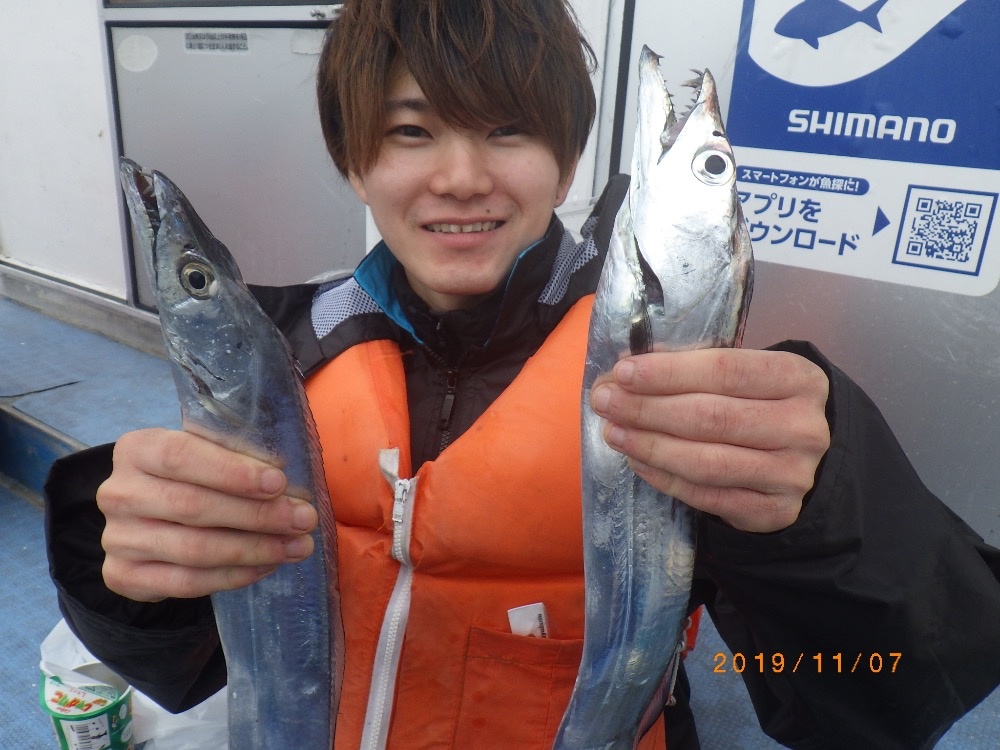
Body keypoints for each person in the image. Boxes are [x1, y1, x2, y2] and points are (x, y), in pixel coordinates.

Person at [45, 0, 1000, 747]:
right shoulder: (281, 355)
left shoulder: (683, 387)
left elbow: (875, 697)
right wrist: (129, 572)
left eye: (506, 131)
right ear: (352, 161)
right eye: (411, 132)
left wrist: (827, 514)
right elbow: (186, 668)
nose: (462, 177)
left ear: (567, 159)